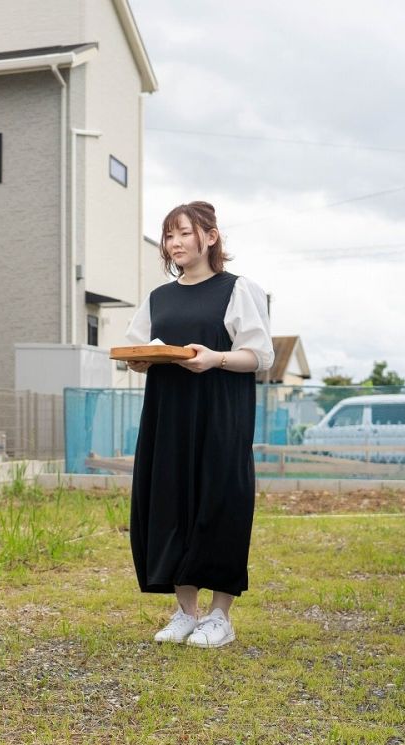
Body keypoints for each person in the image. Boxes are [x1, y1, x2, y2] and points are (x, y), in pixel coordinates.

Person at [124, 201, 273, 648]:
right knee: (170, 503)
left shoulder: (237, 289)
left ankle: (219, 617)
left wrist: (215, 358)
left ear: (209, 237)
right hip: (168, 416)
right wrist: (142, 361)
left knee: (221, 501)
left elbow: (259, 356)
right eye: (169, 236)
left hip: (220, 413)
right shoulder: (158, 298)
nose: (175, 243)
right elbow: (137, 352)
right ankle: (185, 613)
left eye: (184, 233)